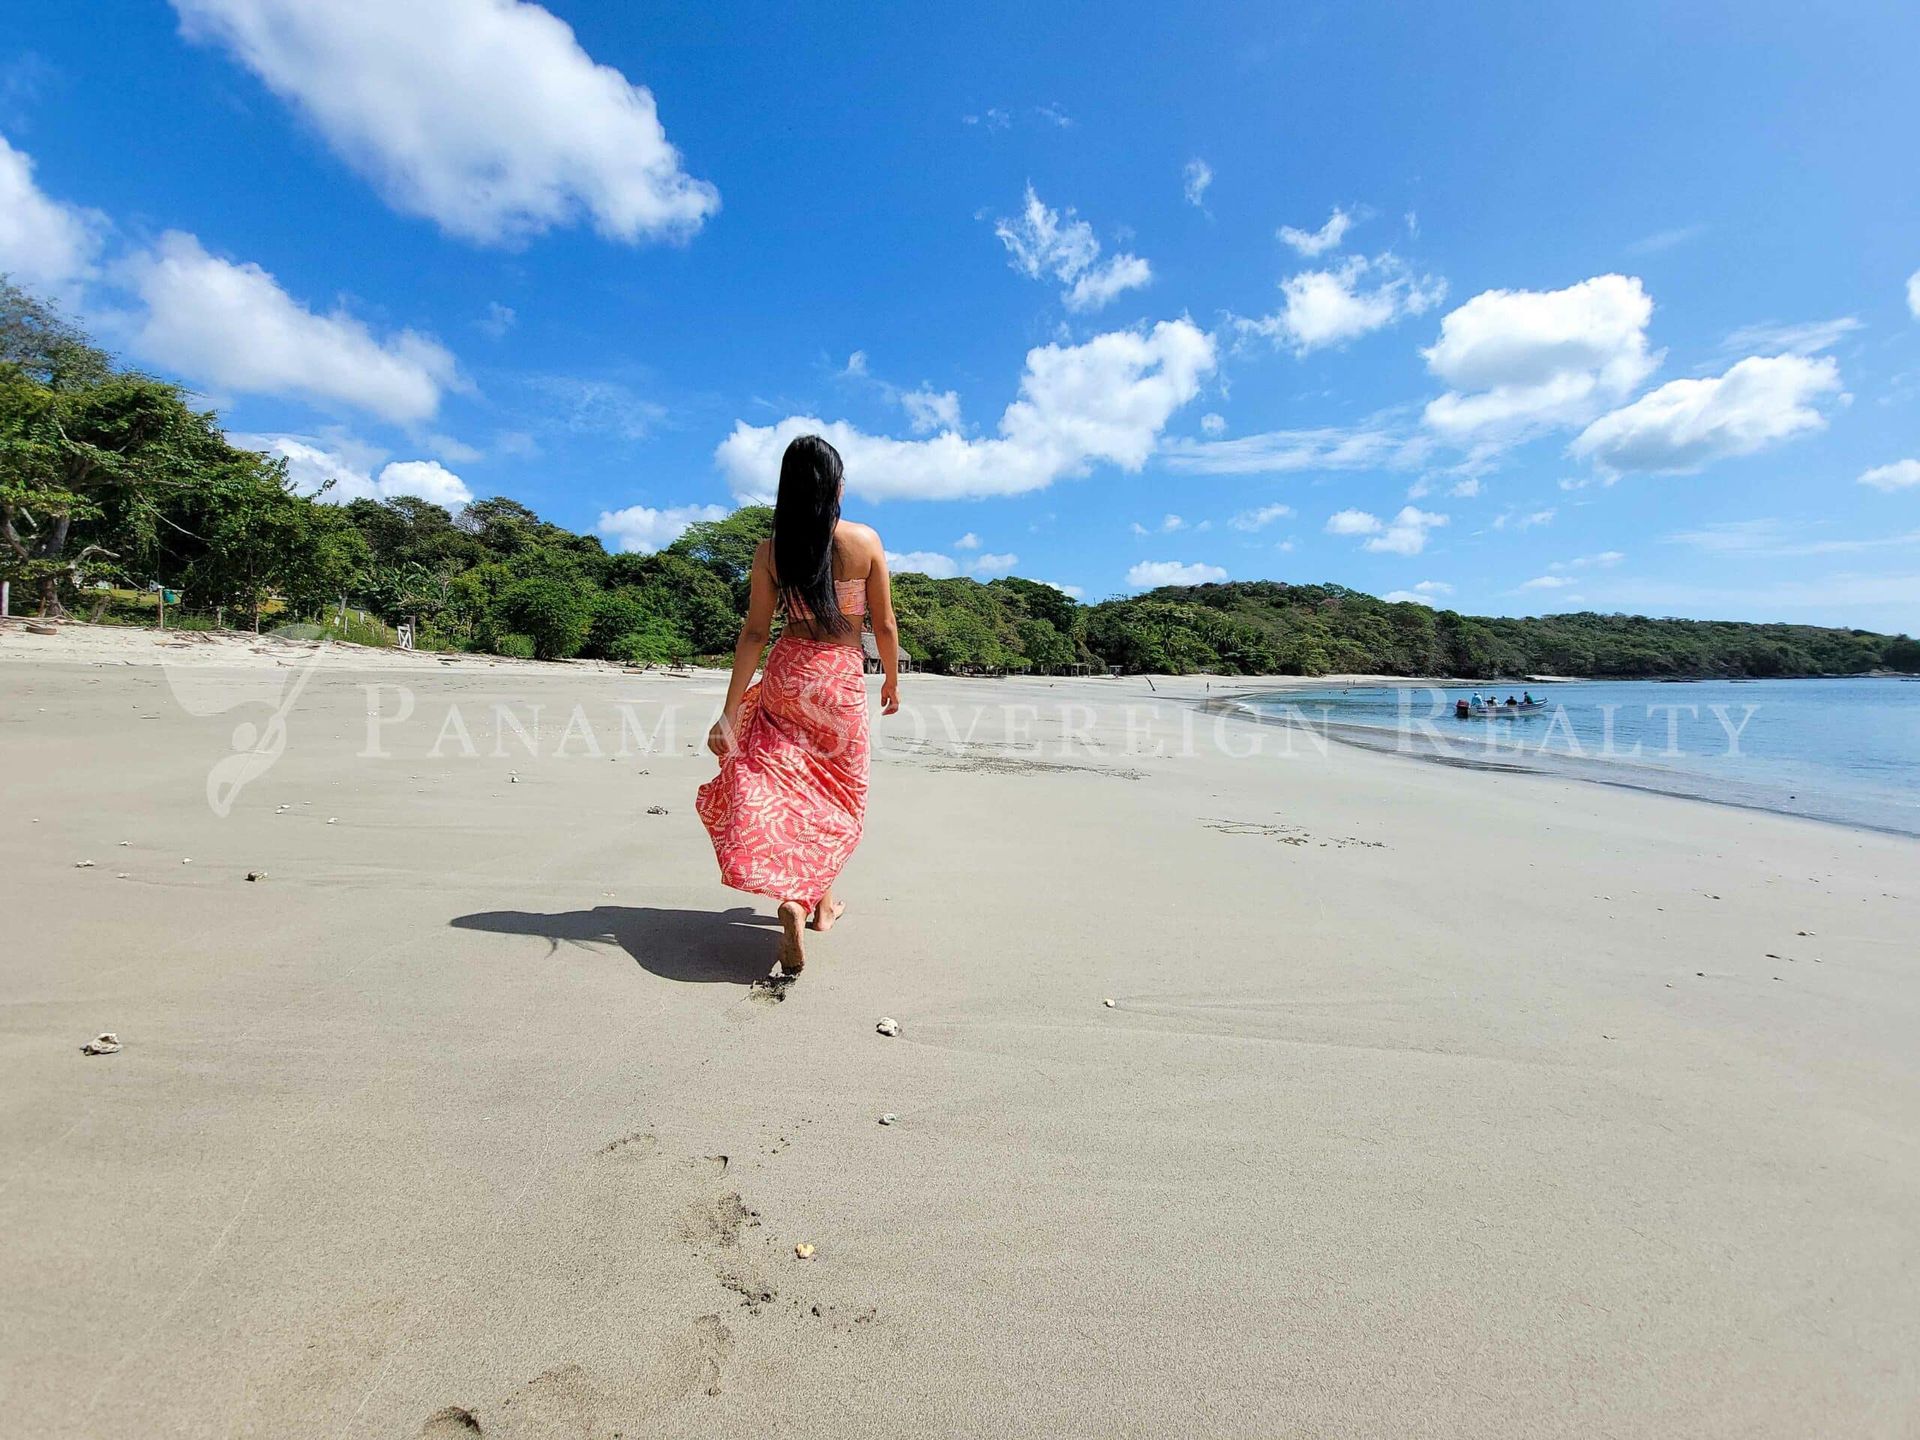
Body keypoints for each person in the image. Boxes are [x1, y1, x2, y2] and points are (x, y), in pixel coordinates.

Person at [697, 435, 901, 979]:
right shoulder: (865, 541)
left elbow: (755, 632)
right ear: (836, 485)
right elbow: (883, 624)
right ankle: (811, 900)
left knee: (790, 784)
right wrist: (893, 682)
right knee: (838, 793)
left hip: (789, 671)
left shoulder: (771, 551)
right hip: (837, 679)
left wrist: (729, 709)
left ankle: (807, 896)